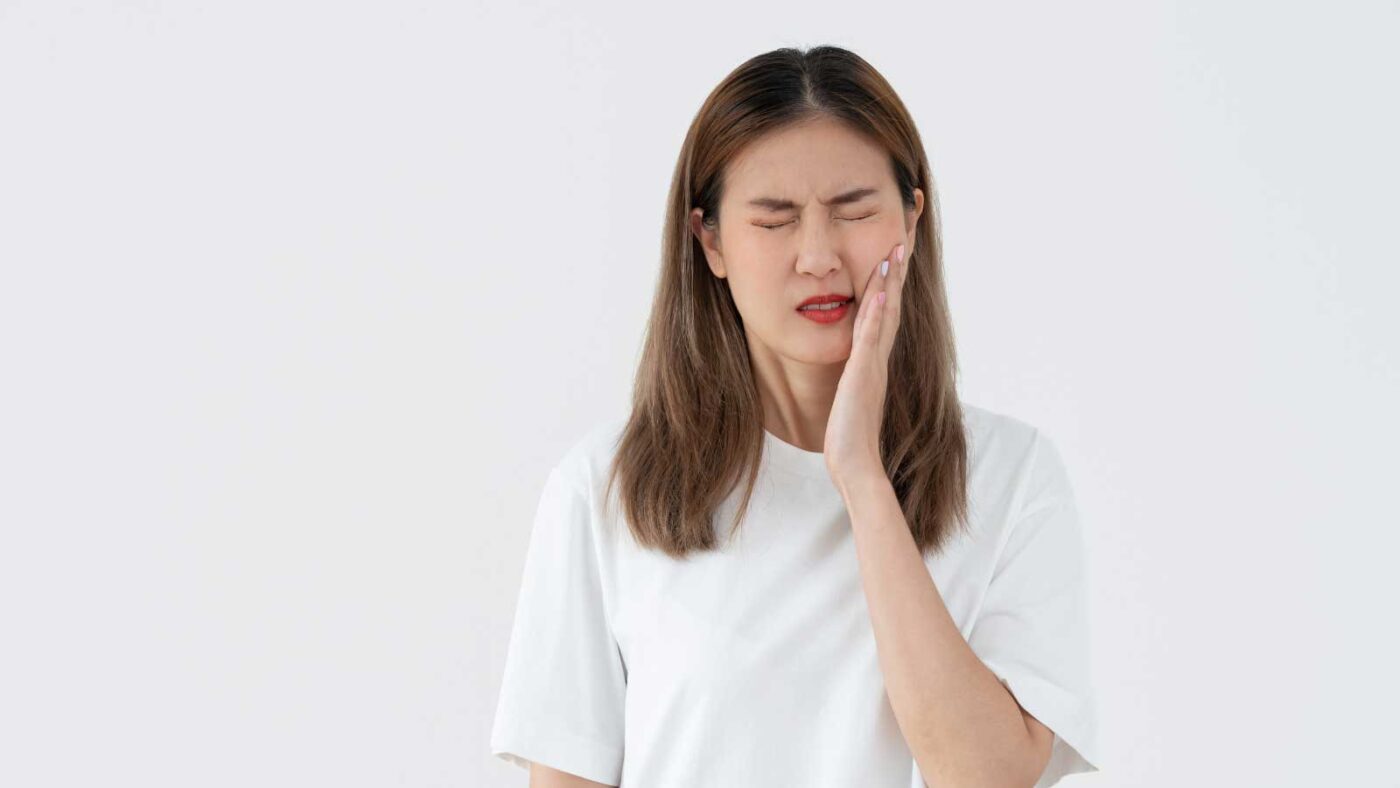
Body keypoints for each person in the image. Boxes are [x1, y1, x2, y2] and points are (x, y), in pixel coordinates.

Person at [490, 45, 1101, 788]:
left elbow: (984, 777)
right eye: (774, 221)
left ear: (912, 216)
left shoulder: (1012, 477)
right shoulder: (606, 490)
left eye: (854, 210)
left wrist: (861, 478)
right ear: (710, 240)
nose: (818, 255)